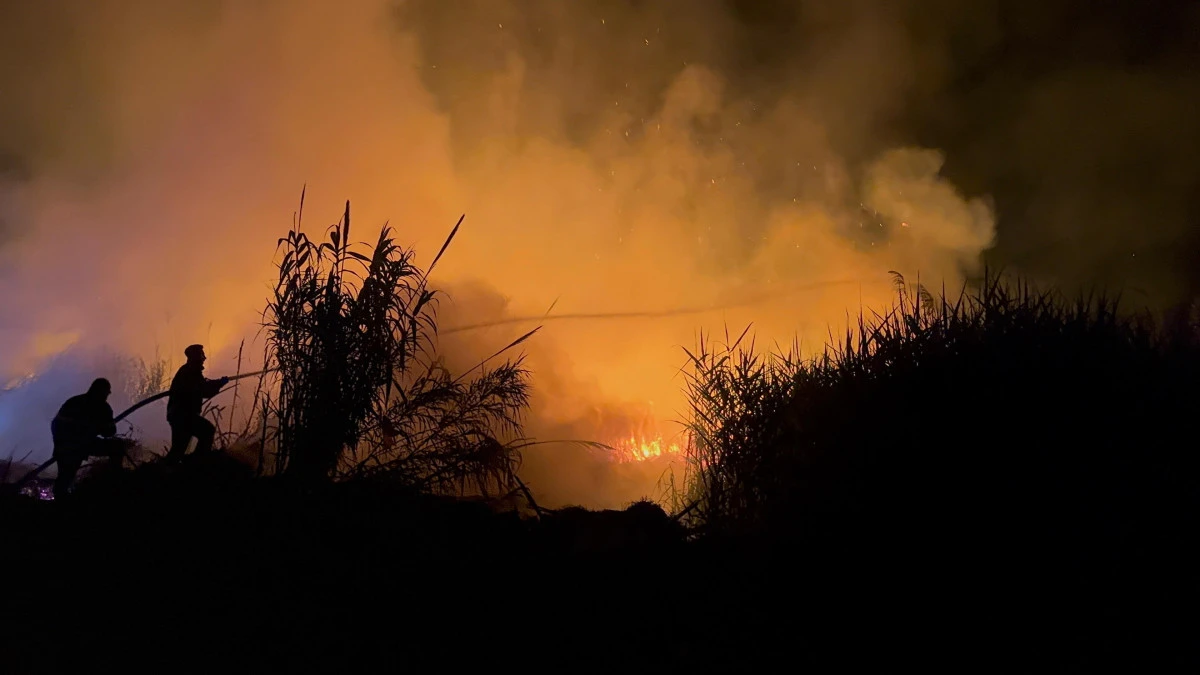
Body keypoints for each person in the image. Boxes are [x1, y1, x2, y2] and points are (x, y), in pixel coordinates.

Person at [51, 378, 124, 499]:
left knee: (65, 476)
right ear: (103, 392)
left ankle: (60, 498)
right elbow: (109, 432)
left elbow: (55, 425)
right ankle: (114, 481)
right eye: (106, 393)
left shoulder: (73, 401)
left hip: (67, 445)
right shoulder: (103, 408)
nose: (107, 396)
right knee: (117, 447)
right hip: (74, 446)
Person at [165, 344, 228, 462]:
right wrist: (219, 384)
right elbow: (203, 390)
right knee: (207, 431)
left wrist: (218, 382)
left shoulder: (189, 371)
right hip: (183, 416)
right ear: (196, 357)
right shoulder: (190, 372)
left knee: (178, 449)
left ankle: (171, 466)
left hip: (180, 416)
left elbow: (203, 385)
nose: (204, 358)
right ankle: (197, 462)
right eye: (202, 355)